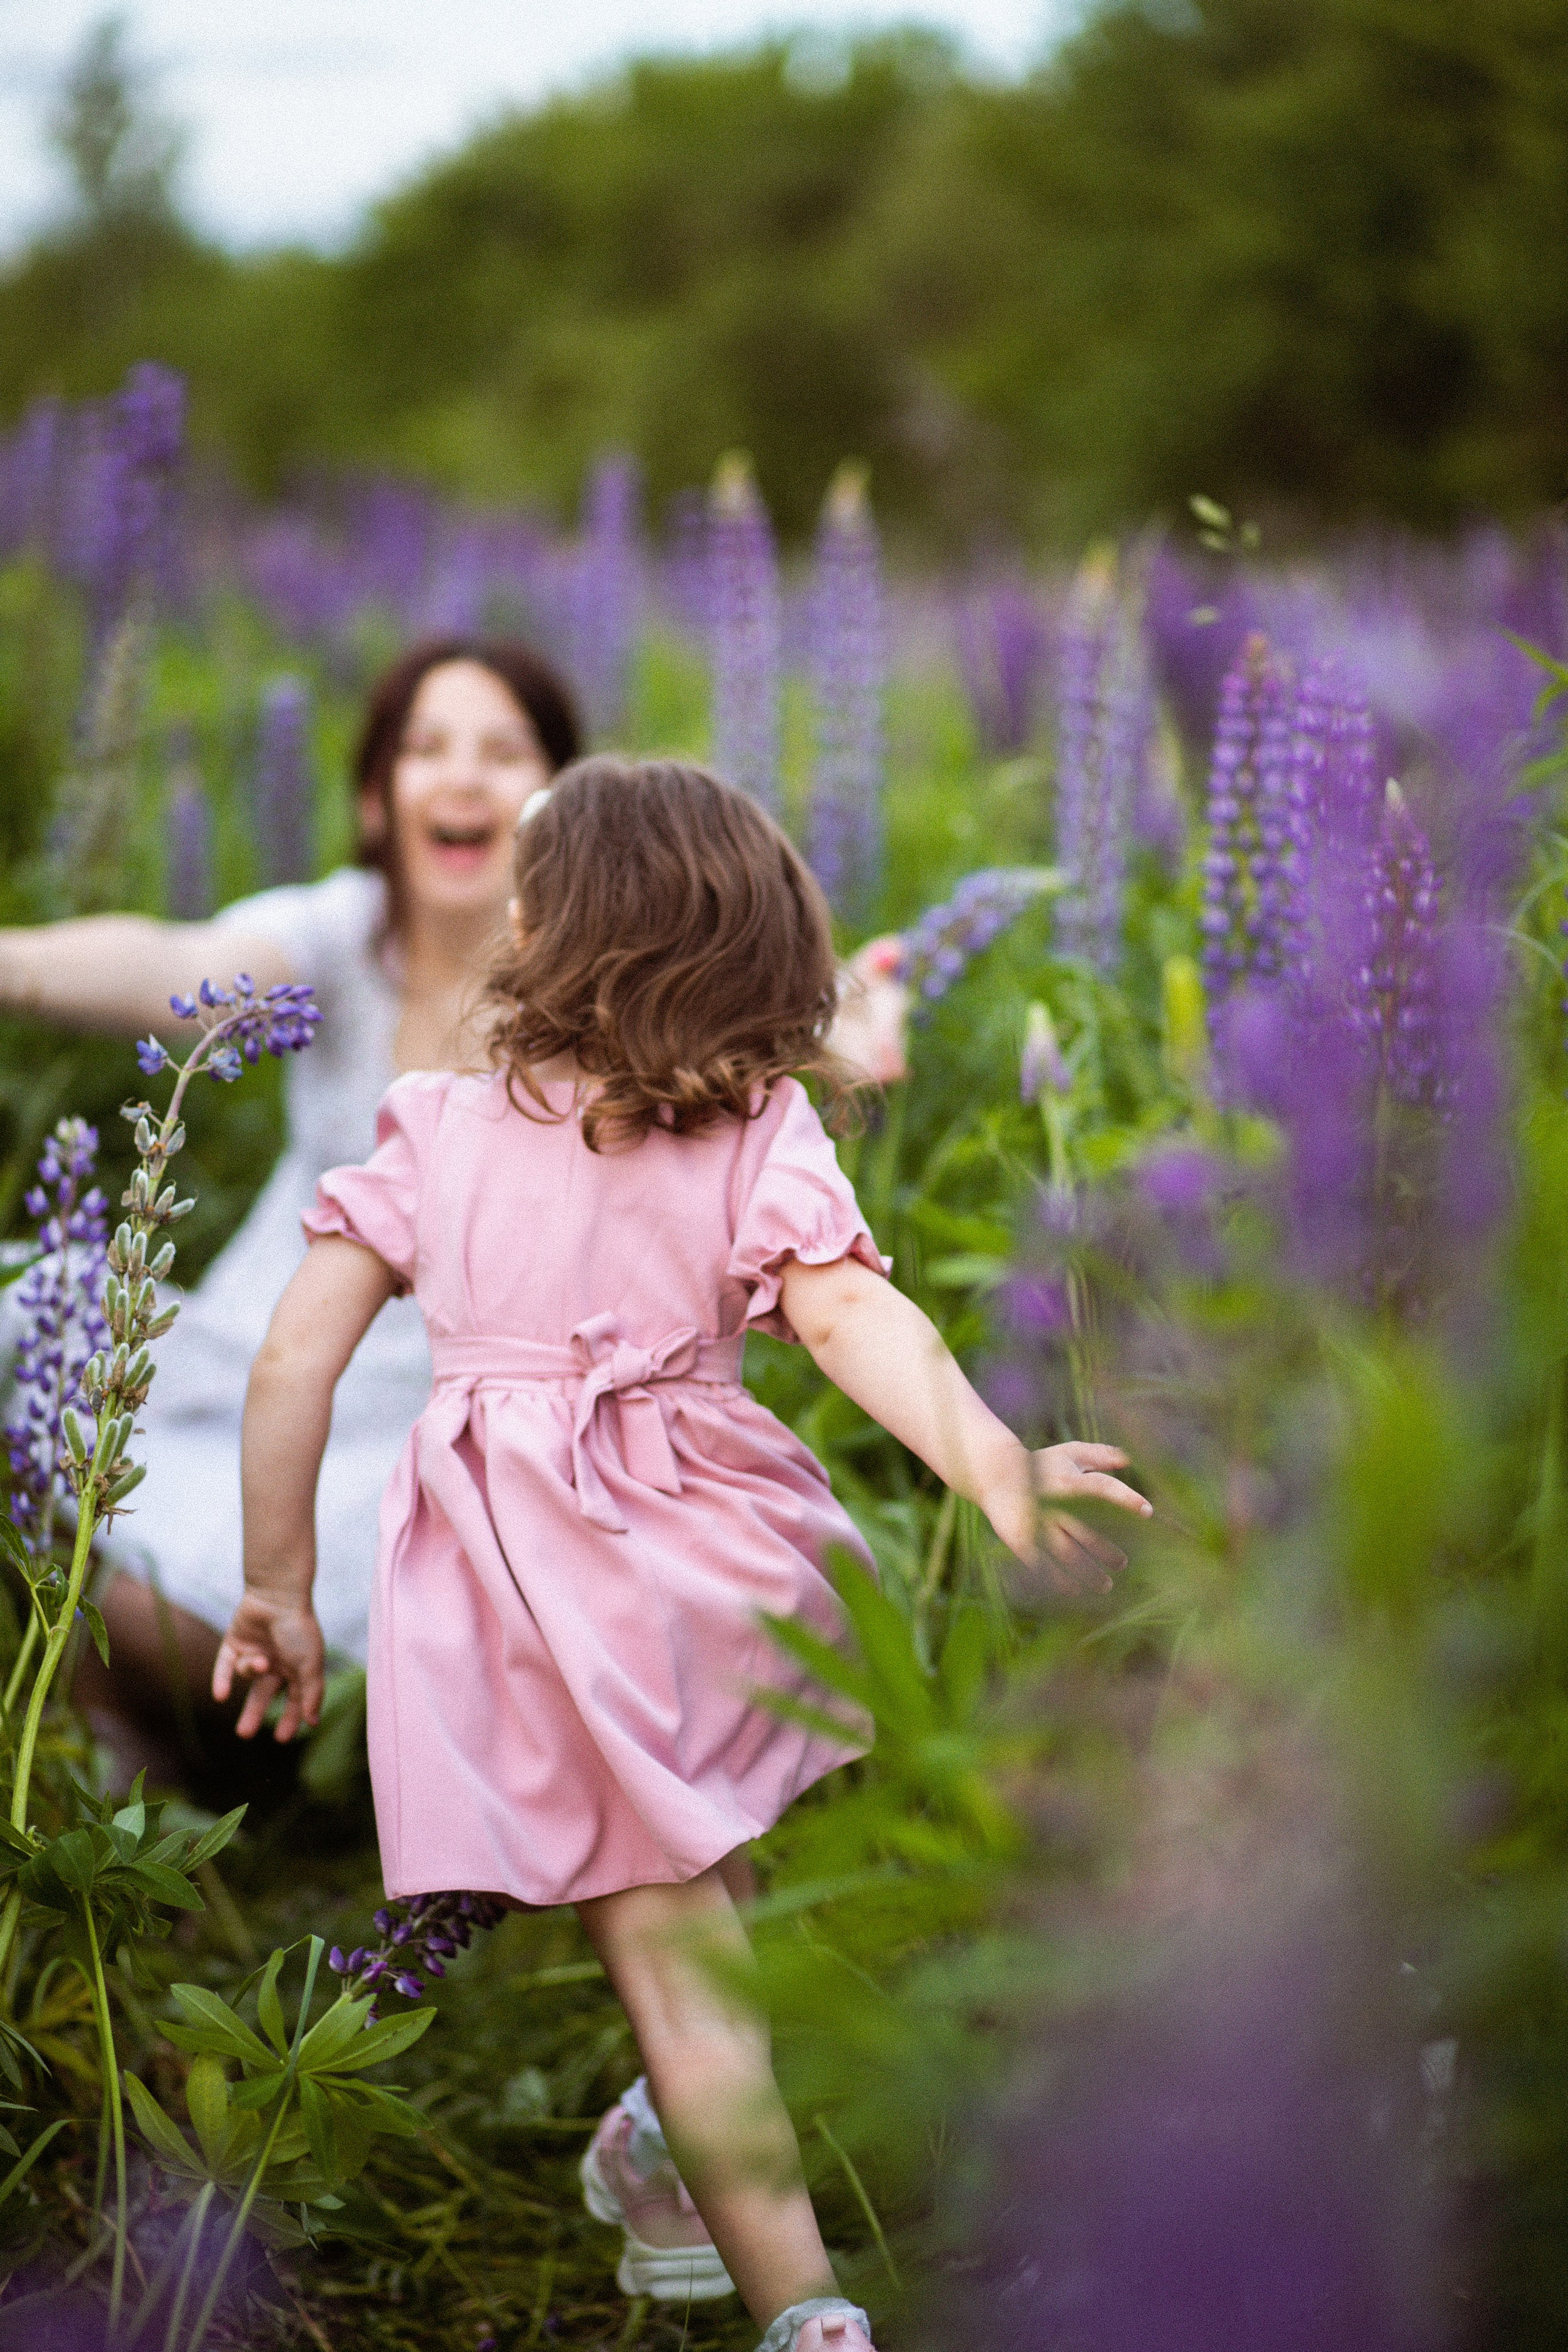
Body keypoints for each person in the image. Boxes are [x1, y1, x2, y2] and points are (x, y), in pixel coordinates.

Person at [212, 756, 1152, 2352]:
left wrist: (278, 1584)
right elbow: (850, 1309)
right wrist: (994, 1465)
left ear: (538, 929)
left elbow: (294, 1356)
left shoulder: (433, 1129)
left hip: (532, 1590)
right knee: (703, 1894)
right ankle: (735, 2224)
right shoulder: (755, 1123)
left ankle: (761, 2258)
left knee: (683, 1943)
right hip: (714, 1559)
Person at [0, 637, 908, 1785]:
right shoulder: (338, 936)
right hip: (243, 1350)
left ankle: (230, 1758)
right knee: (33, 1329)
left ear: (567, 808)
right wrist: (16, 965)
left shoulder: (612, 981)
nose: (463, 778)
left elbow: (766, 999)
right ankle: (111, 1746)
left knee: (231, 1573)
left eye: (503, 751)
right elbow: (175, 960)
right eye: (427, 748)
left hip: (440, 1406)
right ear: (379, 798)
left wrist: (855, 1029)